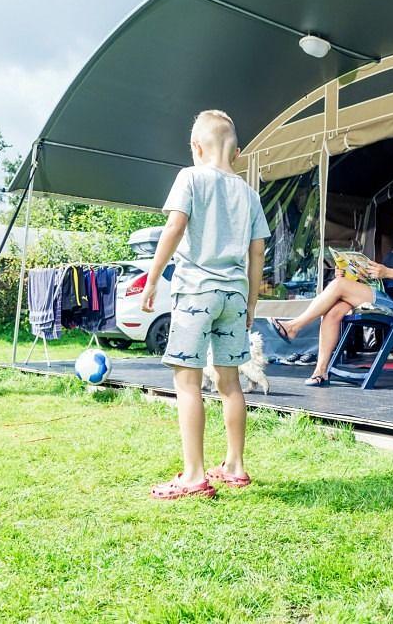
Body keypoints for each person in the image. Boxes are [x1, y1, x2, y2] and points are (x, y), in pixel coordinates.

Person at [141, 110, 270, 500]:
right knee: (230, 383)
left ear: (196, 147)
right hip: (234, 296)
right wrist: (251, 302)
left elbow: (174, 227)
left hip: (197, 292)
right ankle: (235, 466)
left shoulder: (190, 177)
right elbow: (258, 253)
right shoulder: (249, 195)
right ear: (237, 152)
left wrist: (152, 278)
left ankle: (194, 477)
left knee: (188, 383)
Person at [270, 203, 393, 386]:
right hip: (382, 296)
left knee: (338, 286)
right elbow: (377, 279)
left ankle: (294, 326)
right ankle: (320, 372)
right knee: (333, 311)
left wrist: (388, 272)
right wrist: (349, 274)